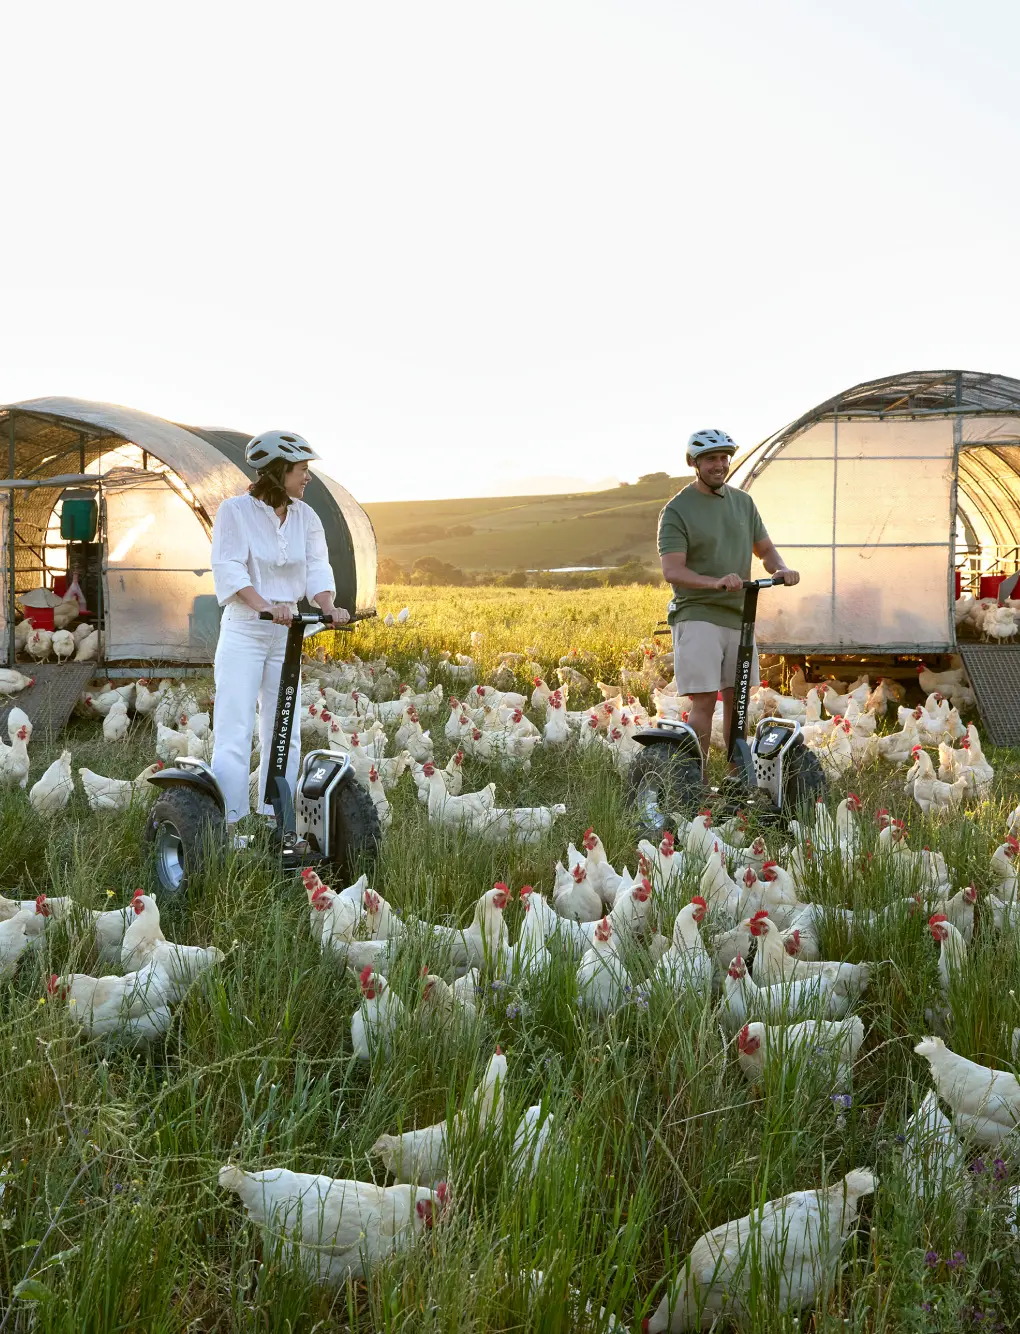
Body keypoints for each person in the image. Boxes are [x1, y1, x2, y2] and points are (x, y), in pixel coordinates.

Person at [210, 430, 350, 827]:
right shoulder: (235, 511)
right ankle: (231, 825)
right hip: (245, 630)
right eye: (302, 469)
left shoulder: (306, 516)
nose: (307, 477)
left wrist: (328, 605)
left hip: (286, 633)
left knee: (284, 729)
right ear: (278, 471)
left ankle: (277, 821)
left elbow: (317, 565)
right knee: (234, 729)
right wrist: (263, 605)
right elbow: (229, 567)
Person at [657, 429, 799, 777]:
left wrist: (780, 568)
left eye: (723, 458)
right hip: (698, 613)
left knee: (737, 701)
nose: (719, 465)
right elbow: (673, 570)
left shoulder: (743, 502)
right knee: (704, 699)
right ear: (695, 463)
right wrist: (715, 582)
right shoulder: (677, 510)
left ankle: (737, 778)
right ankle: (696, 778)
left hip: (739, 614)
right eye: (711, 460)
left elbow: (764, 550)